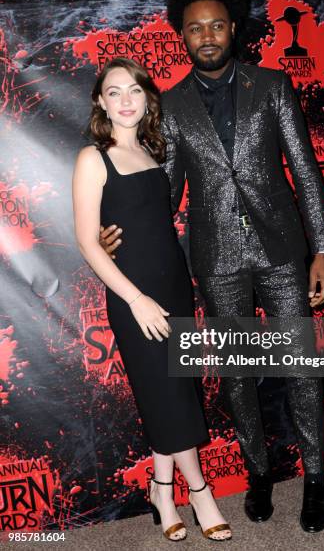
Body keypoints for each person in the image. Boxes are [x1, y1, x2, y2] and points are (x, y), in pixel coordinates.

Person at [100, 0, 324, 533]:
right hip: (214, 258)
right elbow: (166, 187)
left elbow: (305, 174)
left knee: (300, 367)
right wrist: (120, 226)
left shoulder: (273, 85)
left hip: (282, 251)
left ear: (233, 28)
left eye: (216, 25)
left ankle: (316, 478)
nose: (206, 36)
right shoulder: (172, 105)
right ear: (181, 36)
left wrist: (322, 249)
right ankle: (257, 472)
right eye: (194, 28)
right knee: (237, 375)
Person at [72, 57, 232, 542]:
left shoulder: (153, 151)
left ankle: (162, 490)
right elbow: (86, 241)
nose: (125, 100)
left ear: (147, 99)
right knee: (165, 392)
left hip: (173, 285)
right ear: (101, 101)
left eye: (134, 91)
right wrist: (136, 298)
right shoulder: (91, 159)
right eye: (114, 91)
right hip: (133, 294)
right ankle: (200, 492)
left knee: (176, 389)